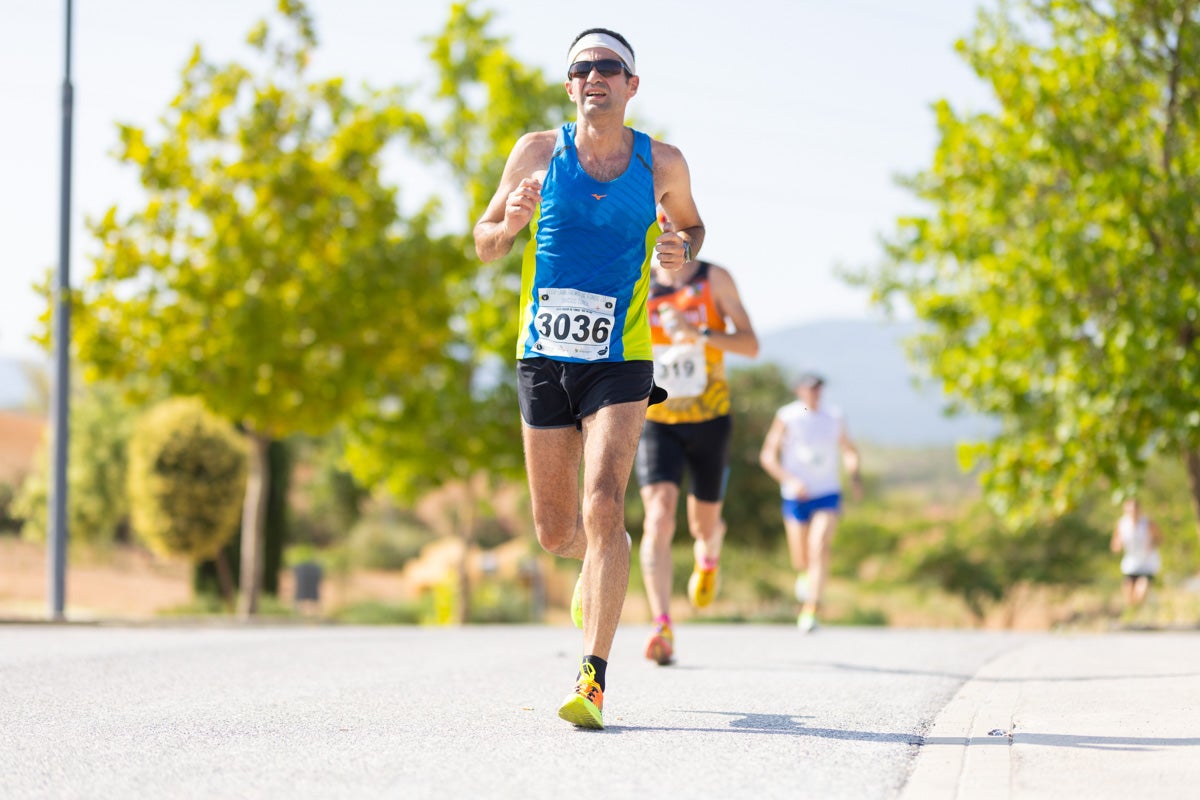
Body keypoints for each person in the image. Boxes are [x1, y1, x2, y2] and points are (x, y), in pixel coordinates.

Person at [473, 28, 704, 729]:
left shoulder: (661, 162)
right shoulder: (537, 152)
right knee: (555, 530)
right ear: (569, 85)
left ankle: (593, 677)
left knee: (606, 505)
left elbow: (692, 232)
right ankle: (590, 565)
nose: (593, 77)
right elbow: (482, 244)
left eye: (608, 67)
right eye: (581, 69)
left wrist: (676, 250)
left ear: (632, 86)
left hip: (622, 357)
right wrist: (507, 225)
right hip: (544, 355)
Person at [635, 210, 759, 665]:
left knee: (702, 528)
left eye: (674, 227)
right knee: (659, 518)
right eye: (657, 226)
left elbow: (751, 345)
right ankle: (662, 624)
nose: (665, 235)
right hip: (654, 419)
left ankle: (708, 558)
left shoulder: (714, 280)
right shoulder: (634, 281)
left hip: (709, 418)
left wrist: (699, 333)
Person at [759, 373, 862, 633]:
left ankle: (811, 608)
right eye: (810, 388)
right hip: (796, 496)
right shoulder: (788, 416)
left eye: (818, 388)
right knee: (801, 558)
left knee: (820, 546)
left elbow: (849, 449)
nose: (815, 393)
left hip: (827, 492)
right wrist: (790, 480)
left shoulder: (834, 416)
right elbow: (768, 455)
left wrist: (854, 474)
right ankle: (805, 576)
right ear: (799, 391)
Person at [1111, 496, 1163, 611]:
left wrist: (1152, 544)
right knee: (1128, 595)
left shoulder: (1148, 523)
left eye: (1134, 509)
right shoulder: (1122, 524)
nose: (1132, 512)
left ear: (1139, 509)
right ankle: (1134, 615)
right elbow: (1115, 544)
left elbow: (1159, 539)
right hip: (1131, 564)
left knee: (1141, 590)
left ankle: (1142, 610)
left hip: (1147, 563)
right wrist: (1117, 545)